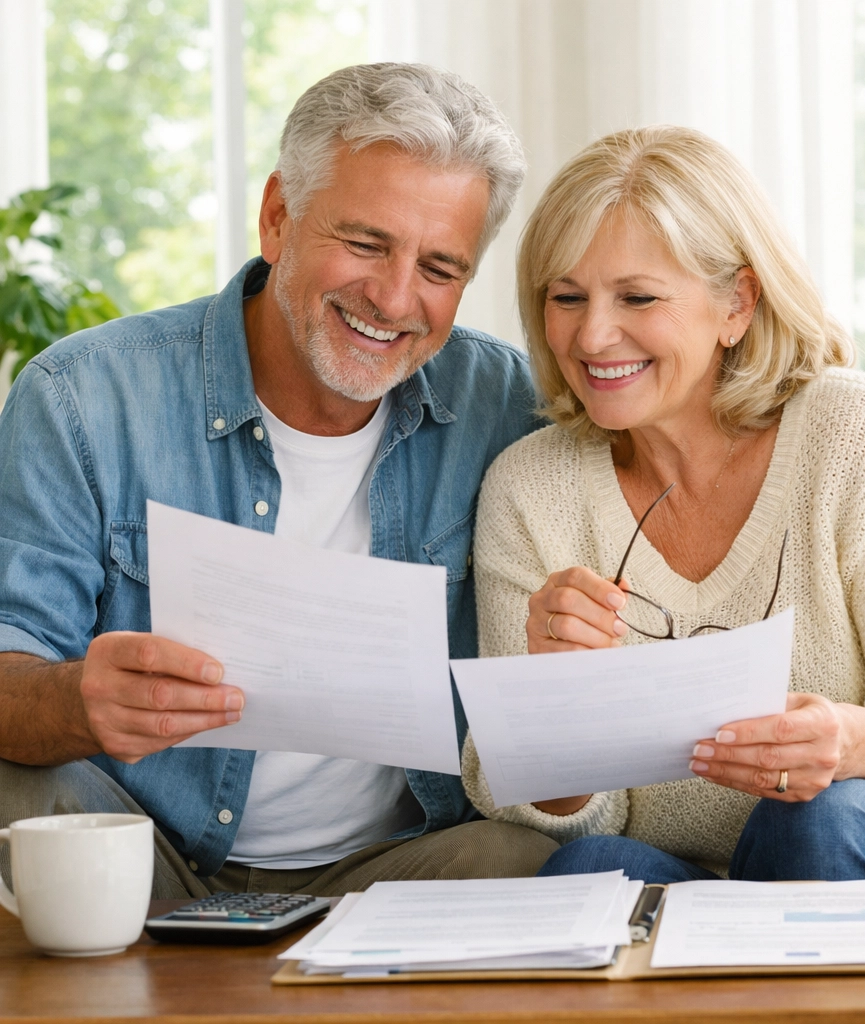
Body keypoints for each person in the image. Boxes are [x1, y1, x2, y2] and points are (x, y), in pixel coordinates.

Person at [0, 63, 558, 898]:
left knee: (539, 859)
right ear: (277, 217)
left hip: (394, 868)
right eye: (365, 243)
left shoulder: (510, 405)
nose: (395, 297)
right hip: (149, 853)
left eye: (440, 269)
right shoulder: (82, 396)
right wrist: (78, 701)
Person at [460, 125, 865, 884]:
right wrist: (552, 697)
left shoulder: (856, 431)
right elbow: (554, 811)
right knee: (588, 868)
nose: (592, 334)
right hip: (708, 883)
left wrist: (847, 744)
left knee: (819, 821)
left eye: (637, 296)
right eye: (566, 297)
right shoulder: (529, 489)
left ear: (737, 304)